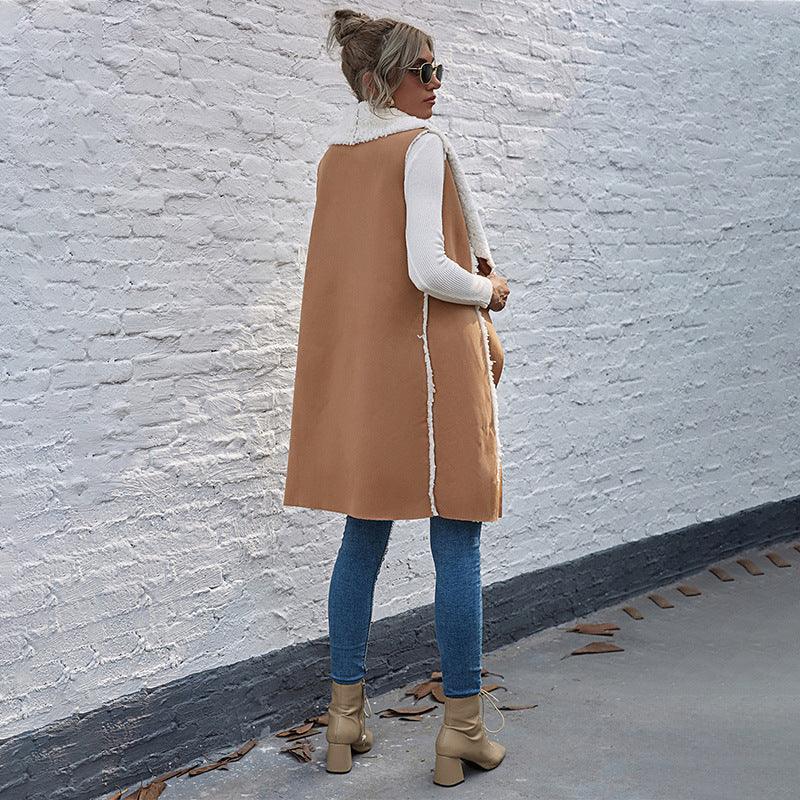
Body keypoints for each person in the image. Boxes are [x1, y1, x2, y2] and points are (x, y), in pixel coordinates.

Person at [283, 8, 511, 787]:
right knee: (458, 538)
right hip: (431, 367)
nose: (436, 85)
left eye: (440, 70)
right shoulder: (421, 146)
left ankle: (344, 719)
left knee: (363, 533)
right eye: (424, 71)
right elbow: (428, 269)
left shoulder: (334, 159)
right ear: (382, 80)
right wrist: (489, 292)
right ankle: (462, 731)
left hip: (370, 377)